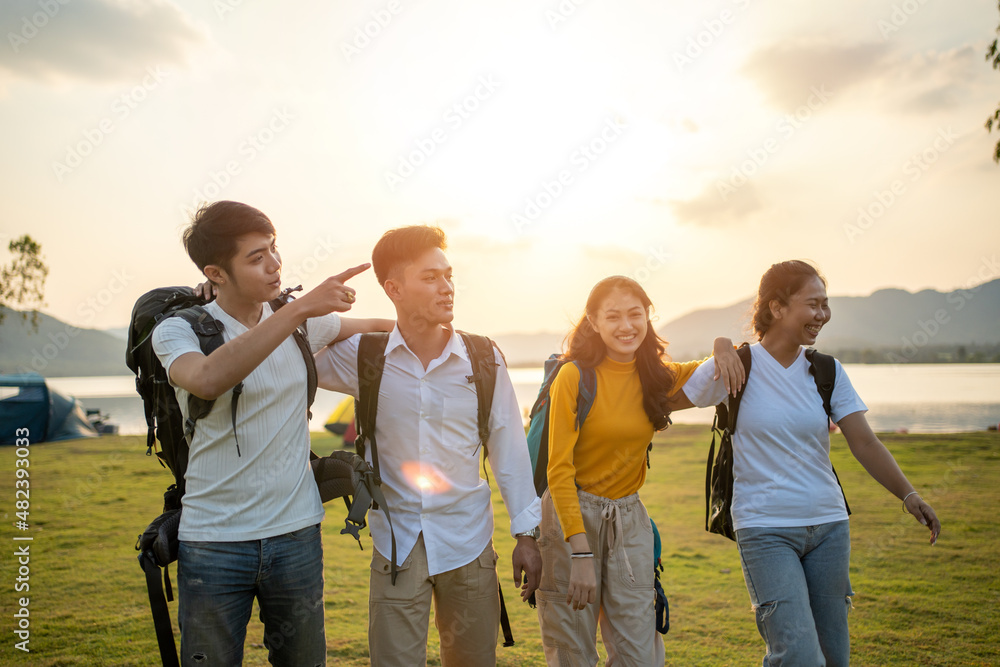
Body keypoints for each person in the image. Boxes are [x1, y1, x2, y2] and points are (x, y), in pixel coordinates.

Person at [152, 200, 393, 666]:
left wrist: (456, 339)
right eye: (256, 257)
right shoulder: (180, 331)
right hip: (212, 543)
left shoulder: (303, 323)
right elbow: (207, 379)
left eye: (275, 250)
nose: (275, 265)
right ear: (215, 273)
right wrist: (301, 309)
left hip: (296, 537)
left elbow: (380, 328)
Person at [681, 260, 942, 667]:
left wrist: (908, 495)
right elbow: (662, 396)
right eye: (813, 304)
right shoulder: (736, 366)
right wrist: (719, 345)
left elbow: (865, 442)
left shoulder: (826, 371)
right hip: (765, 529)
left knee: (834, 657)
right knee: (799, 656)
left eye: (826, 304)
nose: (822, 315)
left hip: (829, 527)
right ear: (777, 308)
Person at [313, 225, 543, 667]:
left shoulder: (484, 358)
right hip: (395, 544)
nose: (447, 288)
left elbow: (510, 451)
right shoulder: (362, 356)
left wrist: (526, 534)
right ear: (393, 288)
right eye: (430, 277)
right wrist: (343, 318)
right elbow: (290, 345)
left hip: (469, 543)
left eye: (448, 274)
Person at [536, 275, 744, 666]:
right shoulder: (574, 376)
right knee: (572, 652)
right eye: (612, 316)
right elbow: (558, 470)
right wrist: (580, 554)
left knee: (640, 655)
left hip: (629, 518)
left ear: (648, 318)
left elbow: (712, 372)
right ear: (593, 322)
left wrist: (722, 344)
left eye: (636, 314)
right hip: (570, 518)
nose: (626, 326)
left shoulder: (657, 375)